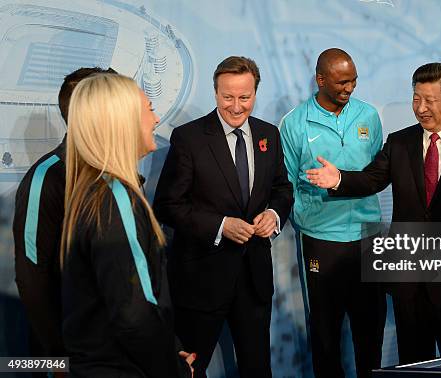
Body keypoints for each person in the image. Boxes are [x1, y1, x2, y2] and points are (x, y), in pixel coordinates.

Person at [306, 62, 441, 362]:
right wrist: (338, 178)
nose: (421, 108)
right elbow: (371, 179)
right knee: (412, 361)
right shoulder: (400, 142)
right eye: (416, 99)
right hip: (410, 282)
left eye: (430, 101)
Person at [153, 56, 293, 378]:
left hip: (254, 280)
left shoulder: (268, 134)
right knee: (189, 370)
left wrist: (274, 214)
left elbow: (282, 189)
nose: (236, 106)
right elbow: (167, 205)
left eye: (244, 97)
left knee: (257, 368)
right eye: (227, 97)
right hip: (201, 279)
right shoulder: (189, 138)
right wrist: (220, 226)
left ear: (255, 93)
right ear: (215, 93)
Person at [60, 73, 193, 377]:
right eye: (148, 109)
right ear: (122, 122)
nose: (157, 119)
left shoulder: (95, 190)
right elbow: (135, 315)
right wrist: (175, 369)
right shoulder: (114, 198)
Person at [280, 48, 386, 377]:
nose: (349, 88)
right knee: (326, 334)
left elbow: (376, 175)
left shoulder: (368, 116)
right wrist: (306, 215)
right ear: (321, 80)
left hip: (367, 237)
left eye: (353, 81)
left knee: (371, 331)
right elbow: (285, 184)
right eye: (342, 82)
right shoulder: (294, 123)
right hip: (322, 241)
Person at [12, 67, 116, 372]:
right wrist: (57, 357)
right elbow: (32, 278)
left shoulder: (113, 174)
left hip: (110, 349)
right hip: (68, 352)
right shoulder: (47, 177)